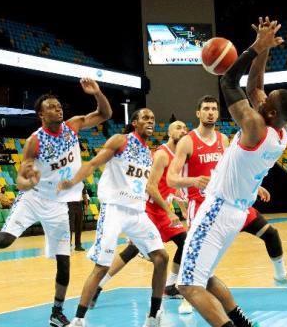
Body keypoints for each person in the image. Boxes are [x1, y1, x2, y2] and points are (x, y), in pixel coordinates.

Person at [0, 78, 112, 327]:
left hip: (58, 205)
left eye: (59, 106)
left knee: (64, 263)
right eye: (52, 107)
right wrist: (29, 181)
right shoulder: (34, 141)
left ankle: (56, 312)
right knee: (4, 241)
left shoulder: (73, 126)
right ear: (41, 114)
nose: (58, 109)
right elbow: (21, 180)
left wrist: (97, 92)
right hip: (34, 198)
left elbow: (105, 113)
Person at [176, 17, 287, 327]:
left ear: (269, 113)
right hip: (234, 213)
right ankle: (241, 322)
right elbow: (256, 85)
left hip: (216, 210)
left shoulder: (255, 127)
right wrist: (266, 48)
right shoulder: (279, 134)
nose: (260, 95)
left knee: (187, 284)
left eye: (265, 100)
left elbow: (228, 82)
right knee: (203, 277)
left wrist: (255, 47)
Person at [166, 95, 287, 293]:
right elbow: (171, 179)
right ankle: (178, 289)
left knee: (270, 234)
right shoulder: (187, 142)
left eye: (214, 109)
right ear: (198, 113)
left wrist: (255, 186)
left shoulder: (223, 139)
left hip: (233, 201)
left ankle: (281, 275)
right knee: (191, 249)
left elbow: (237, 166)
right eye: (206, 108)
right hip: (201, 203)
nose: (210, 112)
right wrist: (193, 181)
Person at [59, 108, 177, 327]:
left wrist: (173, 200)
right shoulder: (121, 140)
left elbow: (150, 186)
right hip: (114, 209)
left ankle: (153, 316)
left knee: (161, 257)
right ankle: (78, 320)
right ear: (134, 122)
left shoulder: (148, 153)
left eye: (152, 118)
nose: (150, 121)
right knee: (102, 266)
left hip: (137, 212)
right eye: (145, 118)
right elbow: (94, 163)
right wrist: (72, 182)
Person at [89, 120, 195, 315]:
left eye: (185, 128)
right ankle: (98, 286)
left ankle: (170, 286)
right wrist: (170, 211)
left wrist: (179, 201)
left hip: (163, 210)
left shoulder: (180, 156)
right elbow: (150, 186)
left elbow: (171, 185)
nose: (183, 130)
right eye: (178, 127)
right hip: (149, 208)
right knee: (130, 251)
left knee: (186, 243)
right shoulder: (161, 154)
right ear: (169, 132)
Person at [67, 187, 89, 252]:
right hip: (69, 204)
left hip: (79, 204)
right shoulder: (68, 179)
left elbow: (84, 194)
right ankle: (67, 245)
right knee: (70, 226)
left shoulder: (81, 182)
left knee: (79, 226)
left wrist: (86, 204)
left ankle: (78, 245)